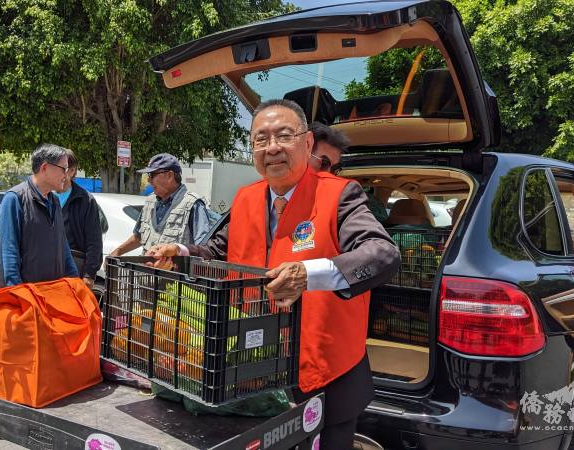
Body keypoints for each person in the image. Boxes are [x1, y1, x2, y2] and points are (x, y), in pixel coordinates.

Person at [147, 99, 400, 450]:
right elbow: (218, 251)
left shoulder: (340, 194)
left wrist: (309, 274)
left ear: (308, 143)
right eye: (261, 140)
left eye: (284, 135)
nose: (272, 148)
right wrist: (183, 252)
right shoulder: (246, 198)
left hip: (326, 371)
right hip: (255, 372)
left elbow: (382, 253)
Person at [0, 143, 79, 287]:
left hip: (52, 295)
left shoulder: (54, 201)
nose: (66, 175)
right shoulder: (15, 199)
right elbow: (9, 255)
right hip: (26, 300)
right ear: (45, 168)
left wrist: (75, 282)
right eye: (63, 169)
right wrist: (20, 296)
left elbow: (63, 247)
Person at [110, 153, 213, 256]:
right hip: (146, 271)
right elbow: (139, 236)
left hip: (173, 272)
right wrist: (118, 251)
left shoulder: (193, 205)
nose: (149, 180)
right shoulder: (150, 201)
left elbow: (202, 249)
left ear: (169, 176)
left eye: (152, 175)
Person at [54, 148, 103, 290]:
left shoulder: (85, 200)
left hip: (74, 269)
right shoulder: (43, 195)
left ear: (73, 171)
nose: (59, 173)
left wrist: (89, 275)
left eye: (64, 168)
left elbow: (94, 241)